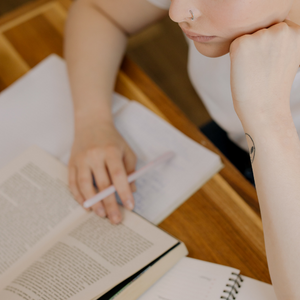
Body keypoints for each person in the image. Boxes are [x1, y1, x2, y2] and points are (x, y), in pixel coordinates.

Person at [65, 2, 300, 297]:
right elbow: (98, 10)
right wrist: (93, 122)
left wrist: (268, 120)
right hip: (235, 146)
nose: (176, 13)